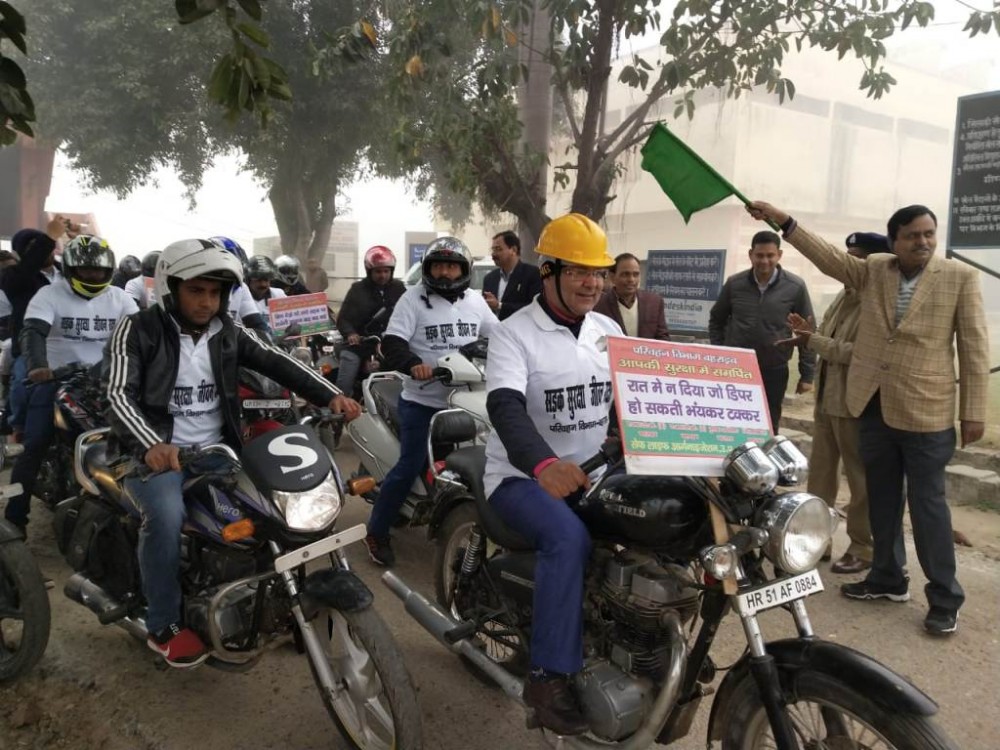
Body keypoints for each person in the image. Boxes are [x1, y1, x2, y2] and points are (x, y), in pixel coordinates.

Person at [105, 238, 361, 667]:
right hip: (155, 455)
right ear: (171, 288)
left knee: (271, 508)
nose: (207, 302)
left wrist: (331, 394)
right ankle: (163, 624)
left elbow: (278, 361)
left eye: (215, 293)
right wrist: (151, 443)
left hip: (222, 451)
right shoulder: (139, 329)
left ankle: (269, 602)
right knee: (165, 518)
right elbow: (117, 395)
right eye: (196, 291)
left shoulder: (228, 331)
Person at [748, 201, 989, 637]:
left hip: (927, 413)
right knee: (879, 499)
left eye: (929, 233)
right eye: (913, 235)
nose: (923, 242)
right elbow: (829, 257)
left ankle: (945, 598)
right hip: (873, 409)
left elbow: (973, 348)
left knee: (928, 505)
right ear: (894, 240)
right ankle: (887, 577)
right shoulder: (876, 270)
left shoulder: (959, 277)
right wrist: (784, 221)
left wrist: (973, 411)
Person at [484, 213, 618, 735]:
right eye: (580, 271)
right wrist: (543, 464)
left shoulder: (609, 329)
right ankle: (546, 678)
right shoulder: (514, 334)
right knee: (567, 538)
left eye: (599, 273)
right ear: (549, 272)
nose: (593, 283)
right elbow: (505, 408)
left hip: (594, 471)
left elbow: (635, 397)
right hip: (520, 477)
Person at [363, 237, 498, 566]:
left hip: (468, 400)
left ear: (463, 270)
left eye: (451, 266)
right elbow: (393, 342)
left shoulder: (476, 302)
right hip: (423, 401)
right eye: (438, 265)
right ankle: (376, 532)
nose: (445, 272)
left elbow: (500, 336)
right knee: (409, 466)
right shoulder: (413, 299)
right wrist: (413, 365)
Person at [4, 235, 139, 534]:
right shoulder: (49, 295)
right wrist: (39, 366)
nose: (93, 276)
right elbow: (33, 332)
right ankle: (14, 521)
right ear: (70, 269)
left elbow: (139, 338)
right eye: (85, 270)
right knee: (35, 444)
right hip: (55, 380)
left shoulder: (121, 299)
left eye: (99, 271)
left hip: (109, 381)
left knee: (138, 438)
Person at [783, 232, 888, 575]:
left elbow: (860, 354)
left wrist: (815, 340)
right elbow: (828, 339)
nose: (847, 263)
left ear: (872, 264)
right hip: (827, 401)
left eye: (856, 257)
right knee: (821, 477)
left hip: (856, 404)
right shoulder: (843, 297)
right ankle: (817, 540)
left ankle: (863, 548)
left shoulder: (877, 302)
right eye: (848, 255)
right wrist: (808, 333)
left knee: (860, 483)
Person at [708, 231, 815, 432]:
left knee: (768, 423)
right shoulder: (734, 284)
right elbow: (716, 320)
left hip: (774, 369)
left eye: (770, 255)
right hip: (736, 369)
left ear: (779, 255)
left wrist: (807, 375)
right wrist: (720, 354)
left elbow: (807, 332)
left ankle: (764, 462)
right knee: (732, 421)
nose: (764, 261)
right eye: (759, 255)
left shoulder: (795, 287)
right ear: (751, 254)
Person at [2, 215, 75, 438]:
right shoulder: (15, 277)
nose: (49, 248)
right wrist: (49, 236)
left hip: (69, 341)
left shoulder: (68, 273)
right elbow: (26, 269)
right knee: (23, 383)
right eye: (39, 246)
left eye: (50, 244)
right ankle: (19, 427)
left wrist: (74, 241)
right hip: (32, 346)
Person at [335, 245, 406, 395]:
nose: (382, 275)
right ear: (369, 271)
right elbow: (343, 319)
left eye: (386, 271)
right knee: (349, 362)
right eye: (378, 271)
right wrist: (350, 334)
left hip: (391, 343)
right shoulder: (357, 289)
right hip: (362, 343)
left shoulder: (399, 288)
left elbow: (410, 313)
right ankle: (342, 404)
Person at [592, 252, 670, 340]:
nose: (631, 279)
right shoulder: (598, 305)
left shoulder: (654, 302)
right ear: (612, 277)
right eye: (625, 274)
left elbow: (663, 338)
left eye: (636, 274)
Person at [482, 230, 543, 321]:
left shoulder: (532, 274)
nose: (494, 254)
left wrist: (499, 306)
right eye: (493, 250)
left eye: (498, 249)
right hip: (494, 332)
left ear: (513, 250)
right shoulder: (490, 278)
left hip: (521, 332)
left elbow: (535, 308)